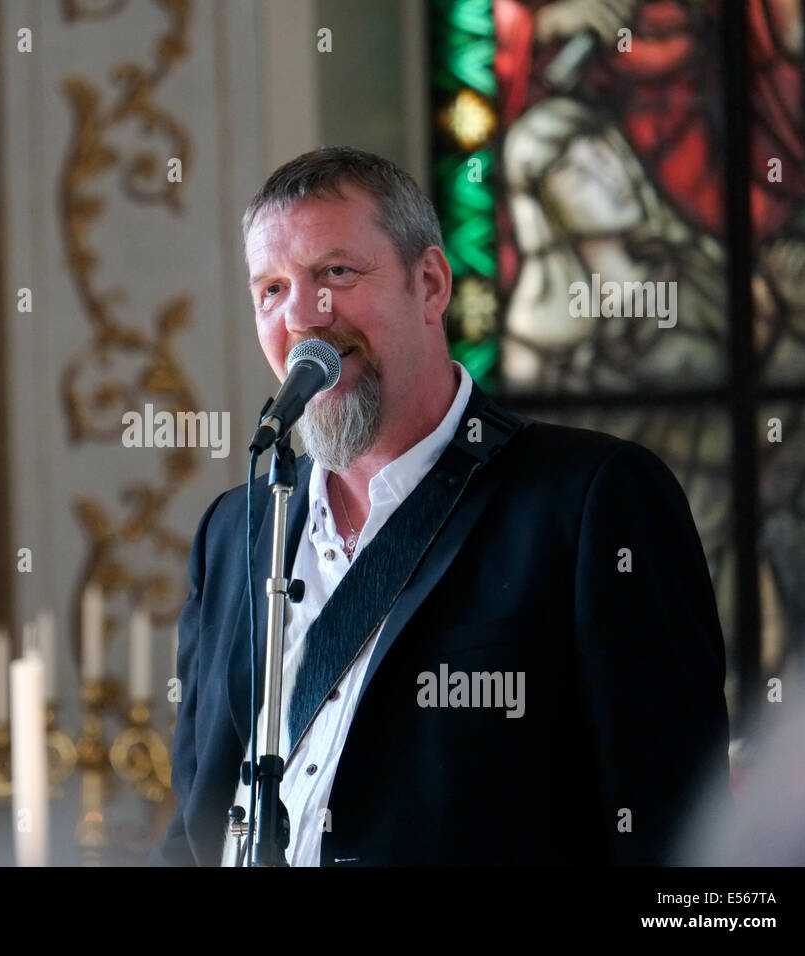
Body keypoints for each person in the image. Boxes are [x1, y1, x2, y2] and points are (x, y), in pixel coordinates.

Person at [149, 146, 730, 866]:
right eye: (271, 289)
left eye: (336, 273)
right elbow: (196, 822)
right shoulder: (234, 531)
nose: (304, 316)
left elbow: (680, 836)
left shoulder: (592, 502)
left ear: (429, 284)